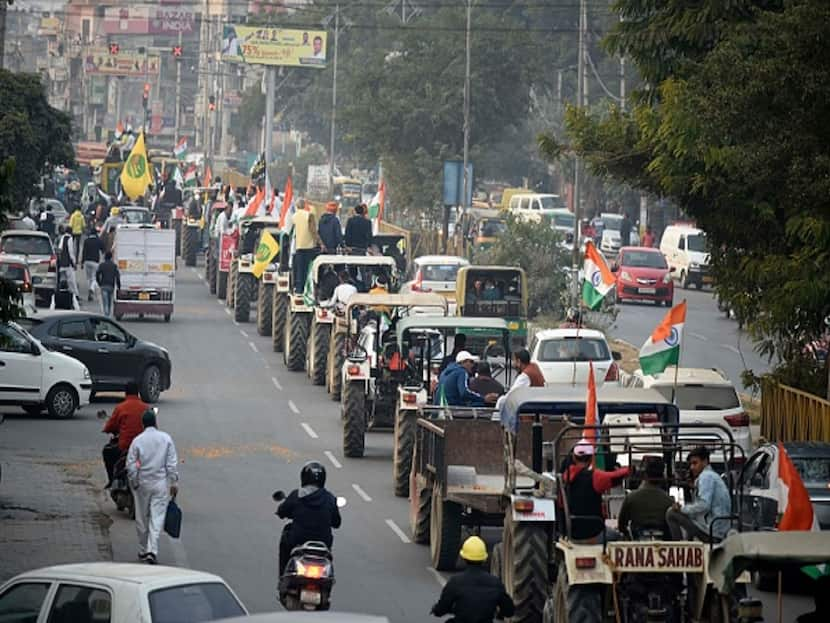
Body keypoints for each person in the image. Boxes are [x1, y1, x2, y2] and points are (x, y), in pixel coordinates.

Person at [126, 409, 179, 564]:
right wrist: (174, 482)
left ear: (143, 424)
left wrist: (135, 481)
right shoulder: (166, 439)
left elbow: (131, 465)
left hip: (143, 483)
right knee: (156, 518)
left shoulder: (137, 441)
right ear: (155, 422)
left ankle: (143, 550)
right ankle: (152, 550)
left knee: (142, 518)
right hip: (160, 484)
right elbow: (171, 463)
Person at [277, 461, 342, 576]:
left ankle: (283, 576)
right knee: (328, 557)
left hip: (298, 540)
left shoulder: (297, 495)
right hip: (324, 542)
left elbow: (282, 511)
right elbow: (337, 522)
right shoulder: (330, 498)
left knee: (286, 535)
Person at [431, 536, 514, 623]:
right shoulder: (495, 583)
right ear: (484, 559)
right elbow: (509, 611)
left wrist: (436, 610)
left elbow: (441, 609)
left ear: (463, 558)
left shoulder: (455, 581)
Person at [563, 439, 630, 541]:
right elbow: (616, 476)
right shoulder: (595, 477)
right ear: (591, 458)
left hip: (570, 532)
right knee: (621, 538)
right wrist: (630, 469)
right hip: (594, 533)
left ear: (574, 457)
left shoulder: (564, 477)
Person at [665, 446, 732, 543]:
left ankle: (679, 548)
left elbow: (704, 505)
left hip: (712, 531)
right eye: (691, 464)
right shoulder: (712, 476)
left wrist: (682, 509)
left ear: (705, 462)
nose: (692, 467)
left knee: (671, 513)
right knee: (689, 515)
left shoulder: (706, 477)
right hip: (718, 528)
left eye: (695, 463)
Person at [101, 382, 149, 485]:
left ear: (125, 393)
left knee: (107, 452)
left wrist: (107, 429)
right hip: (144, 448)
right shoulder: (146, 408)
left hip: (125, 447)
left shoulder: (121, 408)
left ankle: (111, 480)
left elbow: (109, 427)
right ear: (138, 393)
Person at [617, 457, 674, 538]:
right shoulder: (669, 500)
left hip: (637, 539)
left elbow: (622, 525)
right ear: (662, 477)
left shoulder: (631, 497)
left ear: (645, 475)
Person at [291, 202, 320, 293]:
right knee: (308, 271)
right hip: (309, 247)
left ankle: (299, 290)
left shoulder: (294, 216)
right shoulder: (309, 215)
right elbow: (313, 231)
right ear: (304, 206)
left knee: (299, 270)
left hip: (298, 248)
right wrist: (319, 243)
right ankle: (308, 291)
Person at [56, 226, 80, 299]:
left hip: (62, 263)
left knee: (62, 279)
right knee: (71, 280)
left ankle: (60, 295)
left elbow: (59, 249)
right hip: (68, 263)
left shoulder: (62, 237)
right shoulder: (70, 239)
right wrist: (74, 262)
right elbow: (71, 252)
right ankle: (75, 294)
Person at [81, 227, 104, 302]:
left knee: (88, 278)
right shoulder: (98, 241)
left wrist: (82, 262)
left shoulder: (86, 241)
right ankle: (91, 289)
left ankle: (89, 289)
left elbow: (84, 252)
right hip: (95, 261)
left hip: (87, 261)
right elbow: (103, 249)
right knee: (94, 278)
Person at [96, 251, 121, 317]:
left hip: (103, 285)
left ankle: (106, 315)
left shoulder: (102, 265)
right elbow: (117, 276)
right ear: (111, 257)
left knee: (105, 302)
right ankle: (108, 314)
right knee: (109, 301)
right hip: (111, 285)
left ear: (105, 257)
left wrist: (99, 282)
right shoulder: (114, 266)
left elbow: (97, 274)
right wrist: (119, 286)